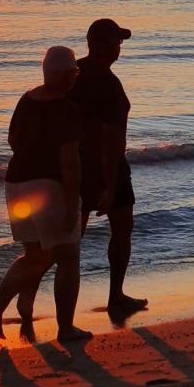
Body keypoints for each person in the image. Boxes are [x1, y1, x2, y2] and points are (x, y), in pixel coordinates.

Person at [0, 47, 92, 343]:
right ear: (66, 74)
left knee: (35, 255)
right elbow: (70, 162)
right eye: (74, 72)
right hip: (50, 187)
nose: (76, 78)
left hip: (16, 182)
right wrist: (72, 204)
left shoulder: (27, 99)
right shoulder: (68, 111)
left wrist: (32, 153)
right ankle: (66, 328)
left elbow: (12, 140)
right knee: (68, 256)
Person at [69, 19, 148, 312]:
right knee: (122, 226)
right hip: (106, 166)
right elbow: (113, 137)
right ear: (101, 44)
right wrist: (111, 183)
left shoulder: (72, 74)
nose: (120, 46)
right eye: (116, 41)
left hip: (73, 165)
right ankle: (116, 295)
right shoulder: (109, 83)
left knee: (71, 238)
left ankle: (36, 299)